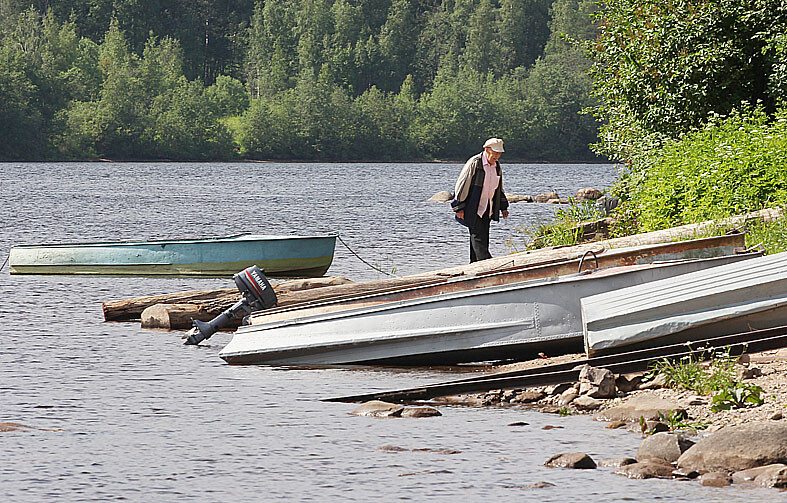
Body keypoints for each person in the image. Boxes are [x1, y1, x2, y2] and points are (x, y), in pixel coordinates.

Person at [451, 137, 509, 263]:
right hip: (473, 207)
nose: (497, 156)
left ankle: (474, 265)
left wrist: (503, 206)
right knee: (478, 238)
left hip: (487, 208)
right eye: (495, 153)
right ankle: (488, 264)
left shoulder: (496, 166)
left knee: (483, 237)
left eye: (499, 153)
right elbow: (462, 184)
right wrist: (459, 206)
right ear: (487, 150)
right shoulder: (475, 163)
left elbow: (499, 187)